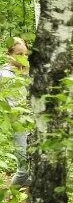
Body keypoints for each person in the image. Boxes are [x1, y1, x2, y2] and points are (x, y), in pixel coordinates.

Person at [1, 37, 30, 189]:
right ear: (9, 54)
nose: (23, 58)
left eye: (25, 54)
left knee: (33, 171)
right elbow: (13, 107)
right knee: (24, 170)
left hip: (27, 125)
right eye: (19, 54)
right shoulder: (5, 75)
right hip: (15, 126)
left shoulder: (22, 72)